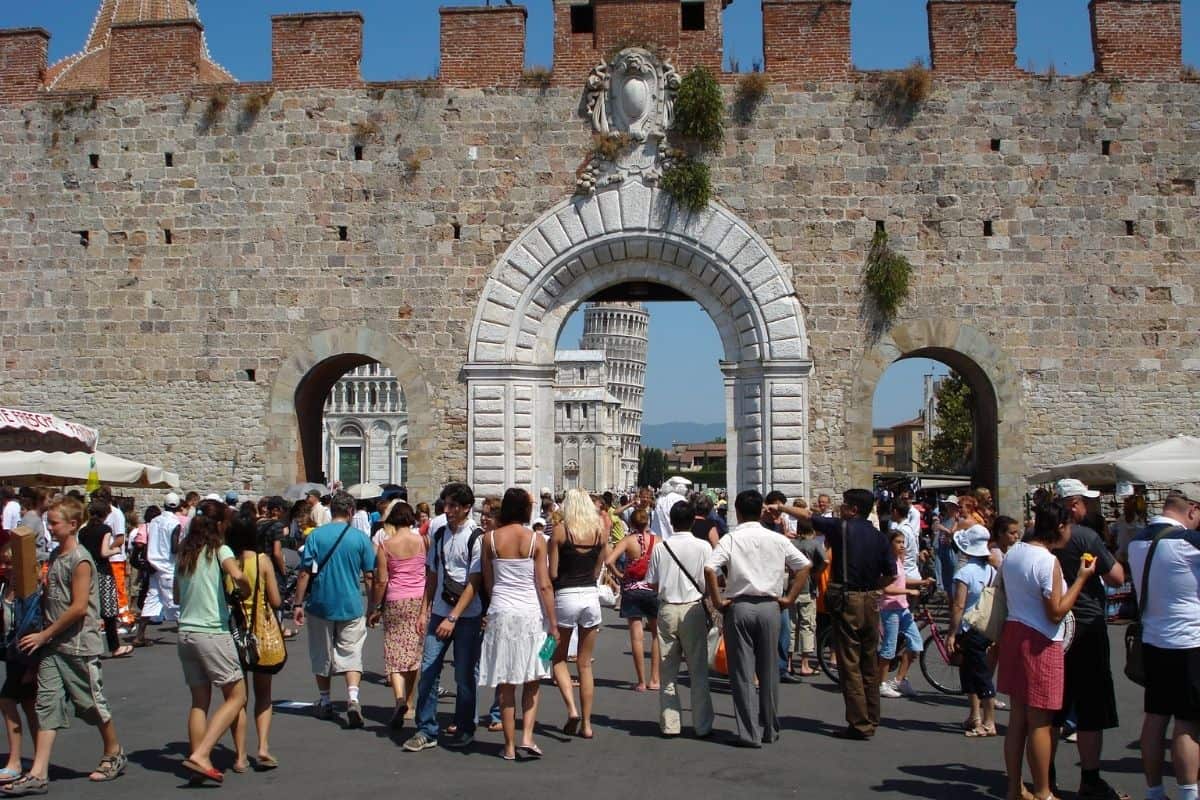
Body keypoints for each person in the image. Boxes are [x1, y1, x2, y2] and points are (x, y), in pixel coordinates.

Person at [4, 497, 126, 795]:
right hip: (53, 647)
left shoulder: (80, 559)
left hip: (78, 645)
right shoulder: (56, 556)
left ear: (73, 525)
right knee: (47, 705)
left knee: (91, 704)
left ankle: (114, 750)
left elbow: (79, 607)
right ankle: (38, 772)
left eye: (55, 522)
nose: (50, 527)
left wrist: (44, 636)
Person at [999, 500, 1097, 800]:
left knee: (1017, 719)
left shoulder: (1014, 552)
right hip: (1040, 640)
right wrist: (1081, 579)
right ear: (1059, 527)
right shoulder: (1047, 561)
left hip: (1014, 632)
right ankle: (1043, 791)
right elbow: (1056, 611)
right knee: (1040, 721)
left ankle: (1015, 787)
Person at [705, 490, 810, 747]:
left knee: (742, 671)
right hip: (770, 606)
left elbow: (710, 567)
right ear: (761, 511)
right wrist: (789, 598)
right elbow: (805, 565)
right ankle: (770, 728)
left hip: (739, 606)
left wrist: (718, 601)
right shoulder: (776, 538)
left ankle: (749, 731)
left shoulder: (731, 538)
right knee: (769, 669)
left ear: (738, 511)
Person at [1051, 479, 1128, 800]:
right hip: (1086, 625)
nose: (1089, 507)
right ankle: (1090, 778)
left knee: (1052, 708)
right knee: (1091, 707)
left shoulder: (1037, 539)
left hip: (1053, 630)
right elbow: (1116, 576)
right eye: (1085, 502)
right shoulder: (1085, 536)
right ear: (1073, 505)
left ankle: (1046, 776)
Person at [803, 489, 895, 740]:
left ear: (853, 509)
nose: (840, 508)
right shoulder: (879, 537)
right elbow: (890, 574)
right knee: (869, 661)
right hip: (871, 600)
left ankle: (860, 722)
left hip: (848, 599)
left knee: (850, 663)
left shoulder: (842, 528)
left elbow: (808, 516)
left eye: (844, 505)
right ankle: (873, 716)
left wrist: (781, 509)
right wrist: (875, 587)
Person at [1128, 487, 1200, 800]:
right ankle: (1188, 793)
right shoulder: (1188, 542)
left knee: (1156, 718)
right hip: (1188, 641)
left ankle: (1154, 791)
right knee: (1187, 722)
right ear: (1193, 510)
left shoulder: (1137, 541)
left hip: (1154, 639)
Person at [173, 501, 251, 783]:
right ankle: (202, 753)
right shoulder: (220, 549)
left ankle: (198, 761)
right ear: (219, 525)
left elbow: (176, 595)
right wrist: (244, 589)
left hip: (186, 632)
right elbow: (237, 574)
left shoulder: (185, 553)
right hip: (211, 630)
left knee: (199, 701)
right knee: (237, 695)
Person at [405, 482, 485, 752]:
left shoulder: (477, 537)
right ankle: (426, 728)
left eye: (453, 506)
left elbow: (475, 581)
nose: (447, 510)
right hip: (439, 610)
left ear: (466, 508)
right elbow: (432, 575)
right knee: (428, 670)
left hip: (467, 615)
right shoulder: (439, 535)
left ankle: (464, 726)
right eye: (446, 504)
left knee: (464, 674)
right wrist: (423, 609)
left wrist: (454, 617)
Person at [478, 489, 557, 760]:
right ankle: (527, 737)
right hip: (531, 614)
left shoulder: (488, 539)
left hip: (500, 611)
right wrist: (554, 624)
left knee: (506, 681)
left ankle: (509, 746)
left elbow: (488, 582)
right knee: (533, 677)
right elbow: (544, 585)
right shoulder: (536, 539)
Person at [292, 491, 376, 728]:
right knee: (351, 653)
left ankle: (325, 700)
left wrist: (298, 603)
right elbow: (369, 576)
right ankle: (352, 697)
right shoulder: (360, 539)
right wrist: (372, 606)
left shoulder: (316, 536)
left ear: (332, 511)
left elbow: (305, 572)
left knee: (322, 652)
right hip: (350, 603)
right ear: (351, 512)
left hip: (321, 603)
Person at [646, 500, 713, 738]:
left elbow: (652, 581)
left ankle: (670, 724)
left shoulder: (660, 548)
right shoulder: (703, 547)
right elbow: (709, 579)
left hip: (666, 608)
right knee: (698, 670)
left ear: (671, 522)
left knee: (668, 670)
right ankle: (702, 724)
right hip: (692, 607)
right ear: (693, 520)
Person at [226, 513, 283, 772]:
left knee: (238, 698)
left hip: (234, 632)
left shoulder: (227, 562)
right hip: (260, 631)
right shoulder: (262, 561)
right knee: (264, 695)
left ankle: (239, 756)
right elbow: (275, 600)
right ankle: (262, 746)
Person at [549, 488, 607, 740]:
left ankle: (571, 709)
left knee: (557, 657)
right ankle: (587, 723)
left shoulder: (561, 532)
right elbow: (598, 569)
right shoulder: (599, 533)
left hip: (565, 595)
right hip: (590, 597)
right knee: (585, 663)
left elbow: (552, 572)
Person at [367, 501, 428, 730]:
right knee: (414, 652)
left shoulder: (386, 544)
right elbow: (429, 571)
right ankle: (410, 703)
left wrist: (375, 607)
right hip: (418, 600)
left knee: (394, 652)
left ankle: (399, 699)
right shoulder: (422, 541)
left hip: (395, 599)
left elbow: (382, 579)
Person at [945, 524, 998, 737]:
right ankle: (975, 715)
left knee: (979, 673)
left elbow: (958, 605)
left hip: (969, 627)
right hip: (985, 626)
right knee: (969, 671)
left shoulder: (964, 572)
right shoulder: (991, 570)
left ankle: (989, 720)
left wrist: (951, 632)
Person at [606, 509, 661, 692]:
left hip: (632, 588)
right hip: (652, 588)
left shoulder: (628, 541)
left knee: (636, 636)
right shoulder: (658, 541)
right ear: (648, 522)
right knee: (655, 634)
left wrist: (620, 576)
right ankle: (655, 678)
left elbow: (609, 561)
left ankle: (641, 681)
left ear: (632, 523)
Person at [878, 529, 934, 699]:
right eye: (898, 542)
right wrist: (908, 591)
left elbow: (903, 580)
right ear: (890, 544)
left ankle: (899, 680)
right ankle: (881, 683)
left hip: (902, 608)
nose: (902, 545)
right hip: (890, 608)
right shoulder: (887, 563)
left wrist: (922, 582)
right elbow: (886, 588)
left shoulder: (898, 561)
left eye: (903, 542)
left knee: (915, 643)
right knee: (889, 647)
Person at [0, 535, 37, 785]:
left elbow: (35, 624)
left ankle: (15, 761)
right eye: (3, 563)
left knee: (7, 701)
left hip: (26, 655)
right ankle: (37, 759)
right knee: (29, 706)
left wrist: (34, 666)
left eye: (10, 563)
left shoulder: (30, 590)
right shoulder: (4, 587)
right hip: (10, 653)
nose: (5, 567)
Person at [77, 500, 133, 659]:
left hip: (87, 569)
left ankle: (85, 645)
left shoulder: (83, 531)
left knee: (88, 608)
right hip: (102, 570)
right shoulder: (105, 529)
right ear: (106, 514)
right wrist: (115, 549)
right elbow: (103, 552)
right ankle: (114, 646)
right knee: (109, 610)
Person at [131, 491, 185, 647]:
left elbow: (149, 541)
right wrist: (186, 543)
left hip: (153, 566)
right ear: (178, 506)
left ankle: (139, 635)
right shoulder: (175, 523)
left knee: (151, 600)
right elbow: (174, 548)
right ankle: (185, 637)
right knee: (174, 602)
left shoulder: (154, 521)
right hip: (167, 566)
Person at [789, 516, 827, 677]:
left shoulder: (791, 544)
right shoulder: (815, 544)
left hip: (792, 587)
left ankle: (789, 662)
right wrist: (816, 573)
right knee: (807, 625)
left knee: (791, 627)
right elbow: (825, 560)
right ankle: (805, 663)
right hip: (808, 588)